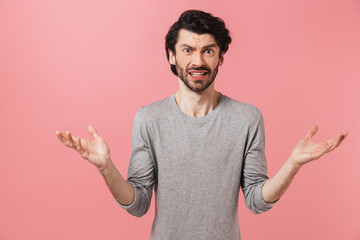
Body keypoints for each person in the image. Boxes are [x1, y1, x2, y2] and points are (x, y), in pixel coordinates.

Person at [56, 10, 348, 240]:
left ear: (221, 57)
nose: (198, 60)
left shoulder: (247, 118)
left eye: (208, 51)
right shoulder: (149, 118)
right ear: (171, 56)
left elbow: (257, 200)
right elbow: (139, 203)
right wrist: (106, 167)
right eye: (187, 50)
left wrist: (293, 164)